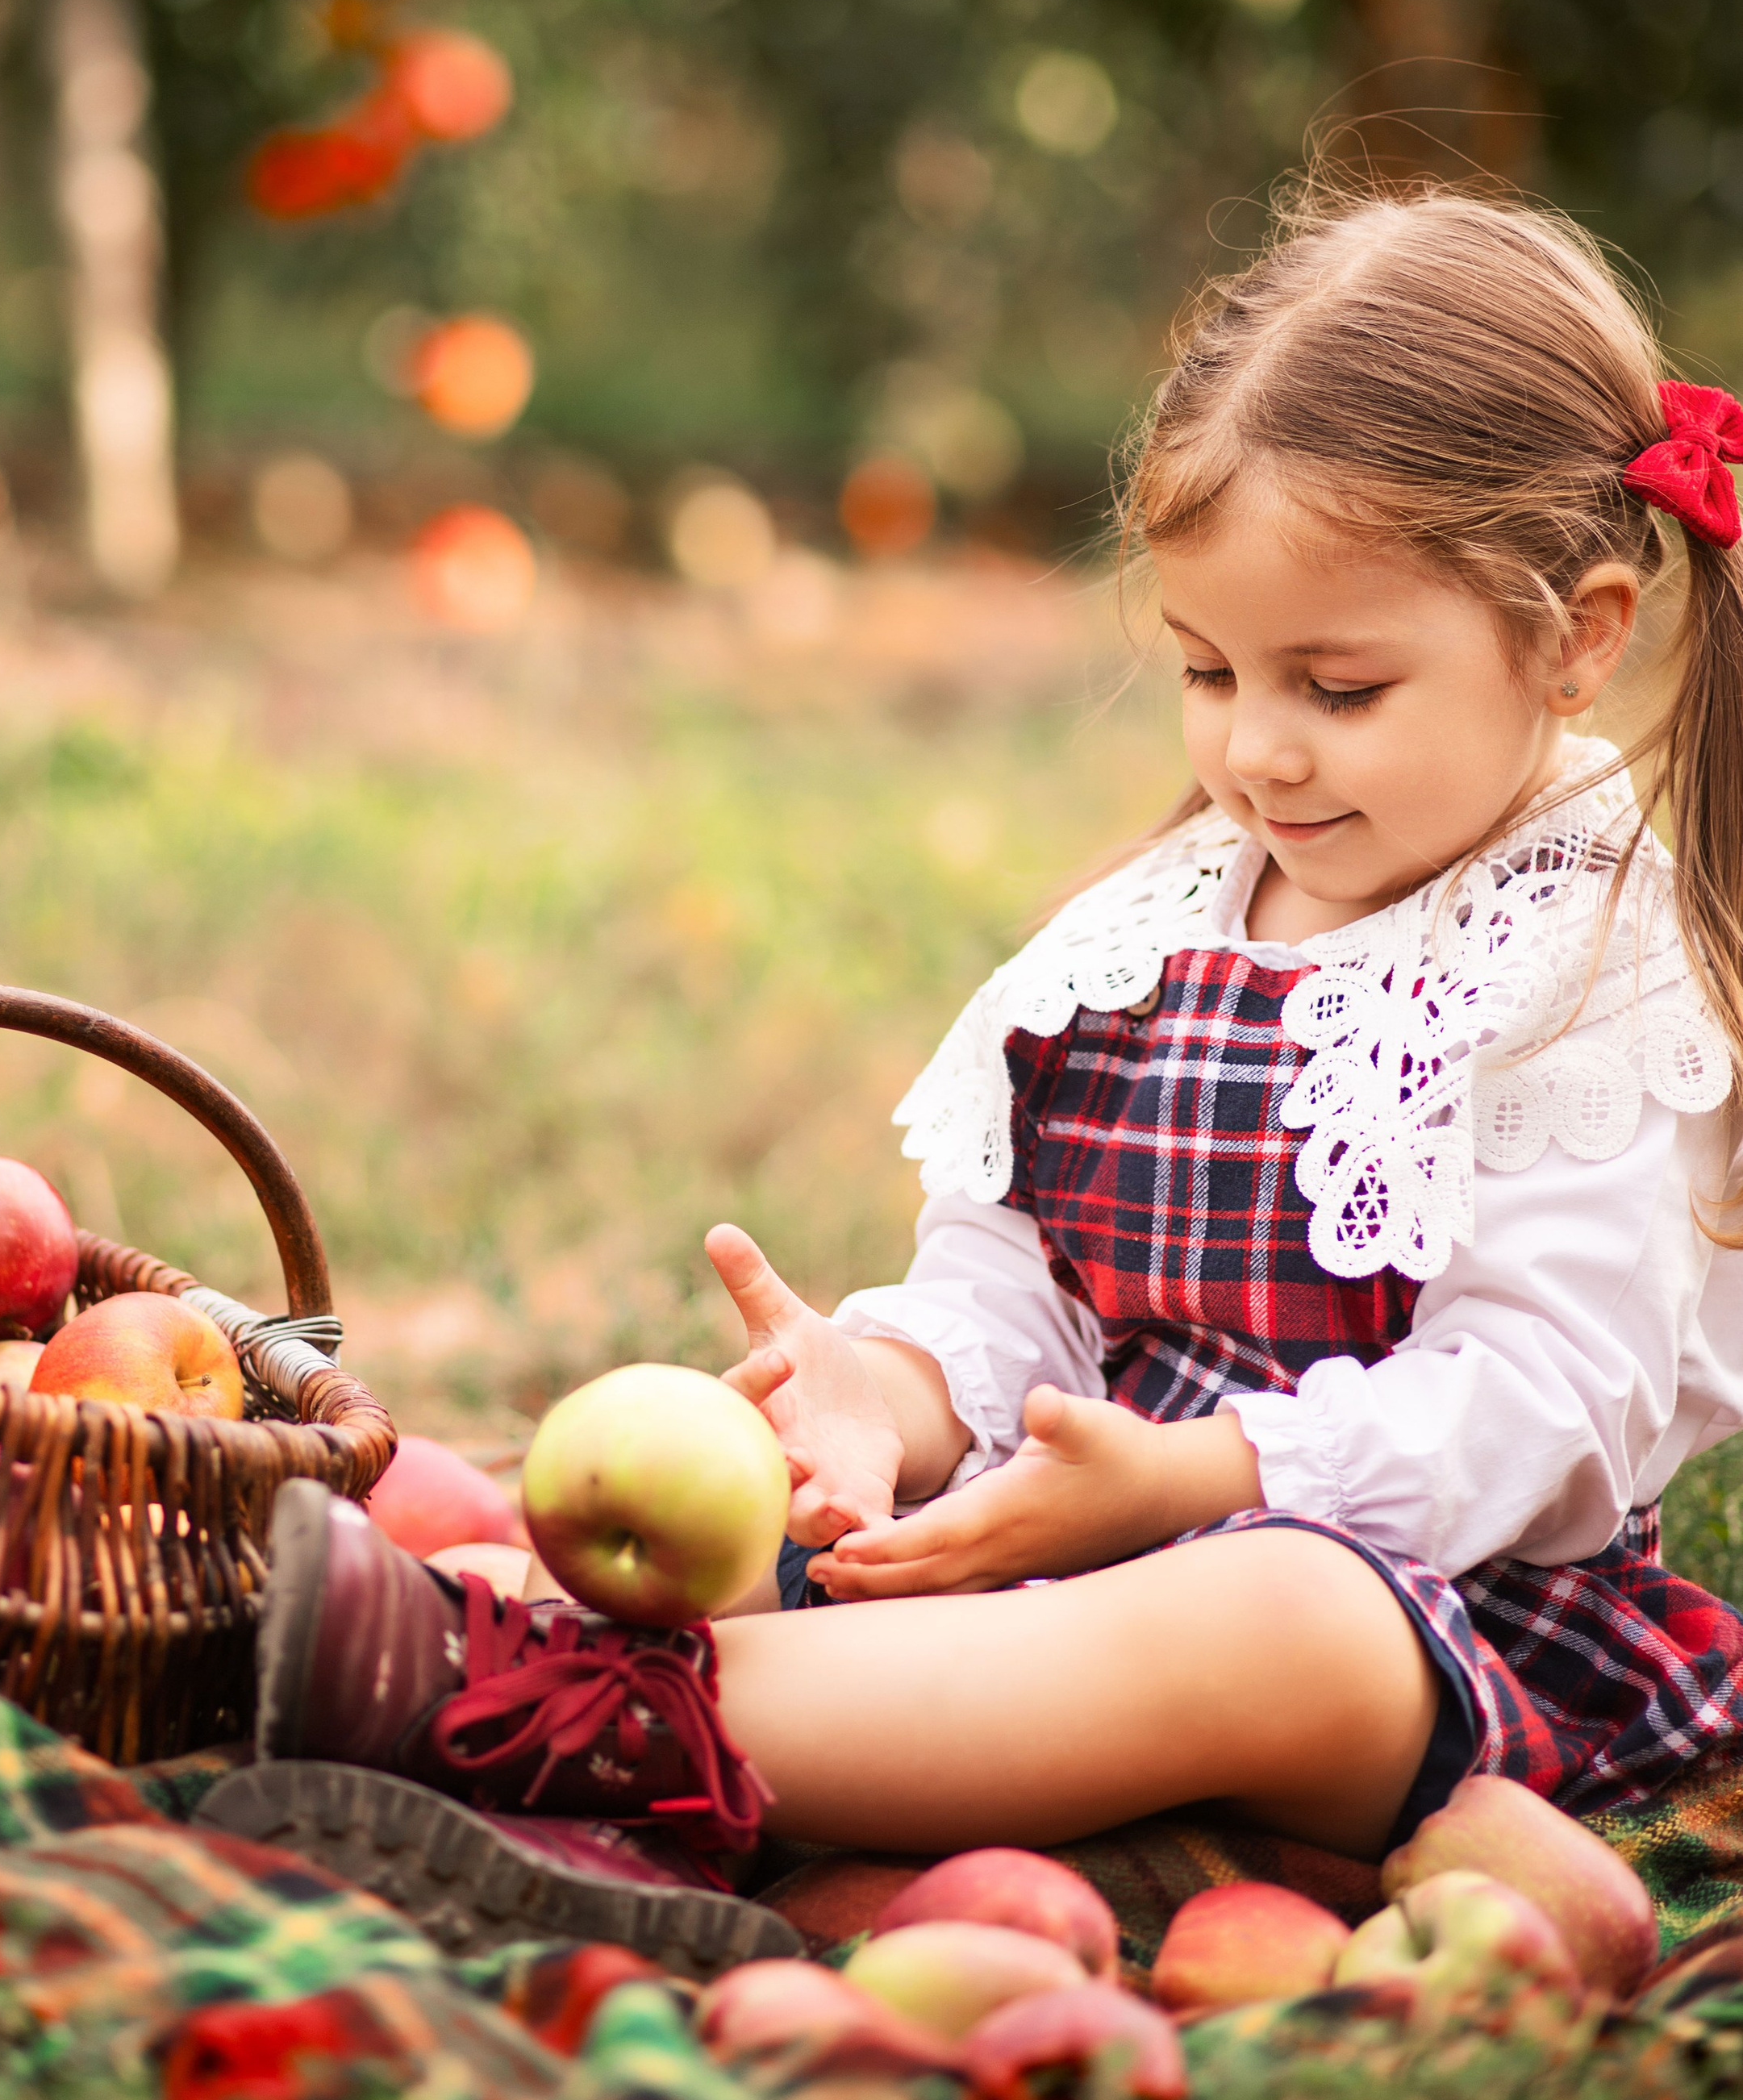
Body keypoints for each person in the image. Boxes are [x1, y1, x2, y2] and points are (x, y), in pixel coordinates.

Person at [252, 183, 1743, 1929]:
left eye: (1335, 690)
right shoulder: (1154, 924)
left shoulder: (1590, 965)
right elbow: (1017, 1286)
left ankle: (531, 1713)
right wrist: (886, 1406)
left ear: (1574, 636)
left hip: (1437, 1641)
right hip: (1059, 1566)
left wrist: (1204, 1480)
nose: (1254, 751)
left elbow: (1549, 1407)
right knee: (825, 1549)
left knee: (1278, 1624)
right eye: (1204, 672)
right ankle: (599, 1753)